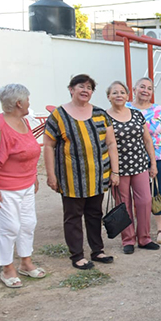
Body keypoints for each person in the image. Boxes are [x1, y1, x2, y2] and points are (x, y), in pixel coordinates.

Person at [44, 74, 120, 269]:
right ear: (71, 89)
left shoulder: (100, 114)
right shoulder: (59, 116)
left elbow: (111, 143)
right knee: (73, 217)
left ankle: (98, 251)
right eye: (81, 86)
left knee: (95, 214)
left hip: (98, 176)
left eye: (89, 87)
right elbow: (48, 146)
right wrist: (51, 175)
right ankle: (77, 255)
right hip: (71, 179)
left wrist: (115, 171)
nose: (85, 90)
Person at [0, 84, 45, 288]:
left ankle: (26, 262)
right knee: (9, 227)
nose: (29, 102)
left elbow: (29, 151)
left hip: (25, 184)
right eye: (27, 99)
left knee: (27, 223)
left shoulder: (23, 121)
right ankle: (7, 268)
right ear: (19, 103)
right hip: (3, 186)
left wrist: (33, 175)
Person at [106, 81, 159, 254]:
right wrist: (111, 172)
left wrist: (153, 163)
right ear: (108, 97)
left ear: (128, 96)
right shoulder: (104, 117)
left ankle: (144, 238)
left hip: (139, 165)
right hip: (117, 169)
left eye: (122, 92)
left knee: (144, 201)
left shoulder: (136, 115)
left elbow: (147, 140)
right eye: (115, 93)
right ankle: (127, 240)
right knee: (123, 204)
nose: (119, 95)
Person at [128, 77, 161, 244]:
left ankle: (160, 228)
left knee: (157, 192)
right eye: (142, 87)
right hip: (132, 158)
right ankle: (138, 230)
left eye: (149, 88)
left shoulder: (159, 110)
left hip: (159, 156)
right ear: (134, 89)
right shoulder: (125, 108)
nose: (145, 91)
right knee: (137, 195)